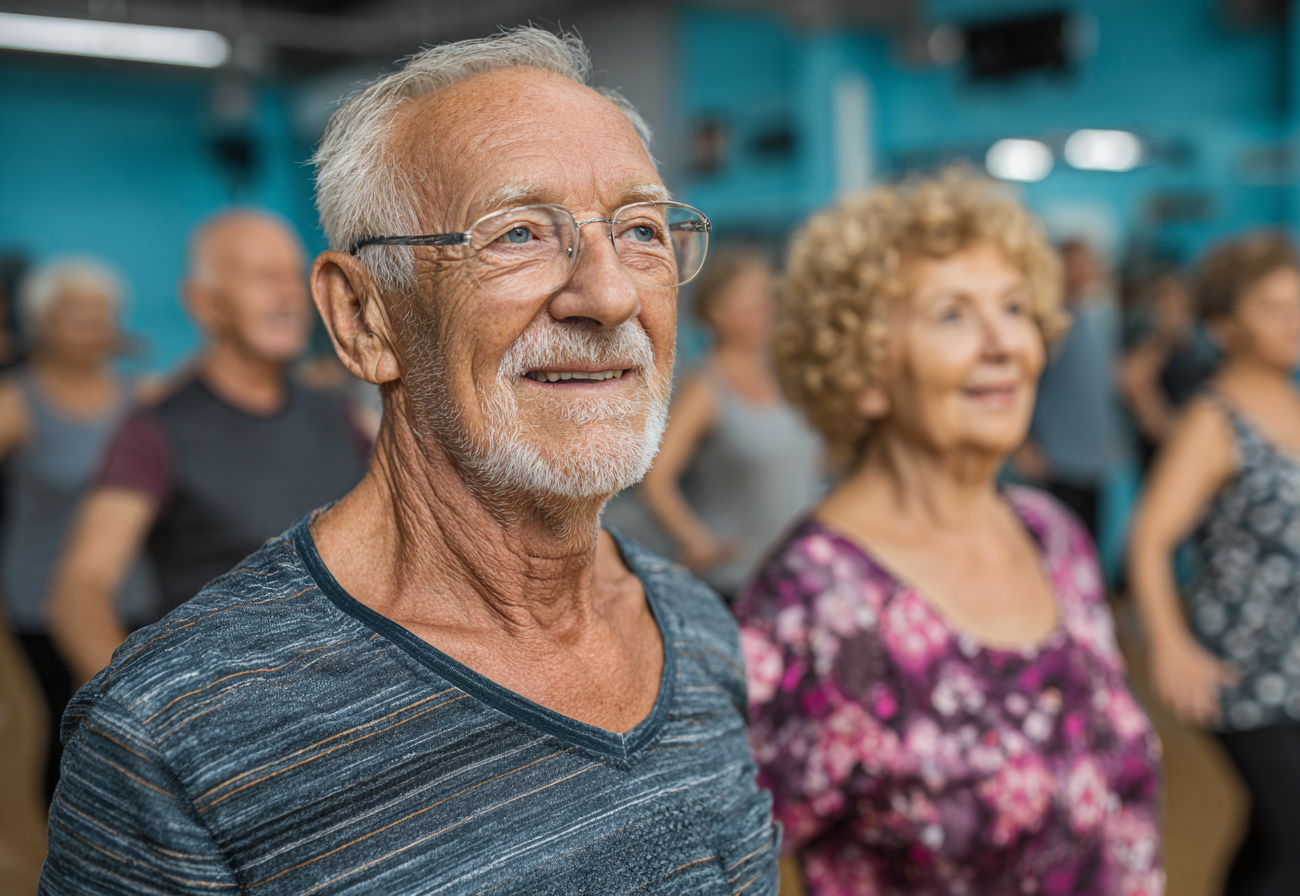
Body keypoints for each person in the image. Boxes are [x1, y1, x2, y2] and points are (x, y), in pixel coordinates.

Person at [40, 28, 778, 894]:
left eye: (642, 229)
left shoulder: (696, 631)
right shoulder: (175, 738)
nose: (611, 293)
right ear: (364, 319)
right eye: (517, 235)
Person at [735, 170, 1163, 895]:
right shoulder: (812, 606)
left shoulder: (1052, 536)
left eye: (1015, 307)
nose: (1004, 343)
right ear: (863, 369)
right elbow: (726, 858)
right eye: (952, 316)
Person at [46, 210, 370, 686]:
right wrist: (145, 714)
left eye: (292, 277)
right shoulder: (156, 431)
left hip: (350, 692)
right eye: (263, 278)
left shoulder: (335, 412)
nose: (288, 296)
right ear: (205, 303)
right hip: (227, 706)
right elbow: (79, 591)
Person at [1129, 232, 1300, 896]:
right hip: (1249, 675)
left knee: (1271, 841)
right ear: (1224, 325)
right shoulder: (1213, 420)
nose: (1297, 318)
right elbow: (1148, 537)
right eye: (1273, 306)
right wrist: (1167, 640)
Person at [0, 258, 157, 804]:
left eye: (104, 316)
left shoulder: (140, 398)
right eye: (78, 316)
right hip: (39, 594)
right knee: (66, 721)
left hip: (128, 588)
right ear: (42, 323)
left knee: (125, 723)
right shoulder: (18, 402)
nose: (95, 329)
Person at [641, 248, 823, 597]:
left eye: (765, 295)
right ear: (715, 312)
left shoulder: (788, 378)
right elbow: (656, 479)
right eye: (747, 297)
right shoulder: (705, 388)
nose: (762, 307)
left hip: (799, 578)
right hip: (732, 585)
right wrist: (696, 540)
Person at [1015, 239, 1117, 539]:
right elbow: (1023, 382)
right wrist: (1024, 446)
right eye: (1080, 262)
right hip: (1056, 463)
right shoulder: (1048, 323)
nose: (1089, 269)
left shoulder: (1093, 318)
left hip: (1092, 462)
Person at [1118, 271, 1215, 473]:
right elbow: (1133, 385)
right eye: (1168, 309)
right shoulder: (1152, 349)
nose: (1177, 317)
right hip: (1166, 453)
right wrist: (1181, 438)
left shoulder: (1197, 348)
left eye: (1182, 309)